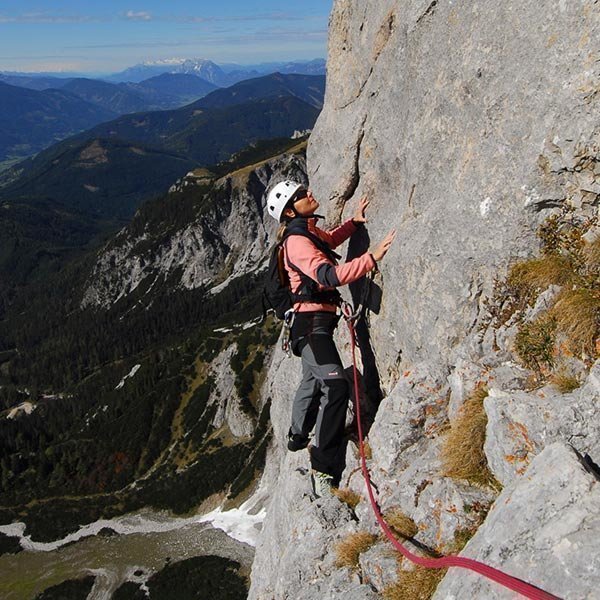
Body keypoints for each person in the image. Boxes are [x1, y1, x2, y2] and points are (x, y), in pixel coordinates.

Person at [266, 180, 396, 498]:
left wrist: (354, 223)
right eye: (301, 196)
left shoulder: (306, 230)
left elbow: (329, 241)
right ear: (290, 209)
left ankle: (297, 436)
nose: (309, 195)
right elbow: (329, 276)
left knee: (311, 381)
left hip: (314, 324)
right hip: (311, 327)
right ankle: (324, 469)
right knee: (335, 386)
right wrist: (371, 258)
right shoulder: (297, 241)